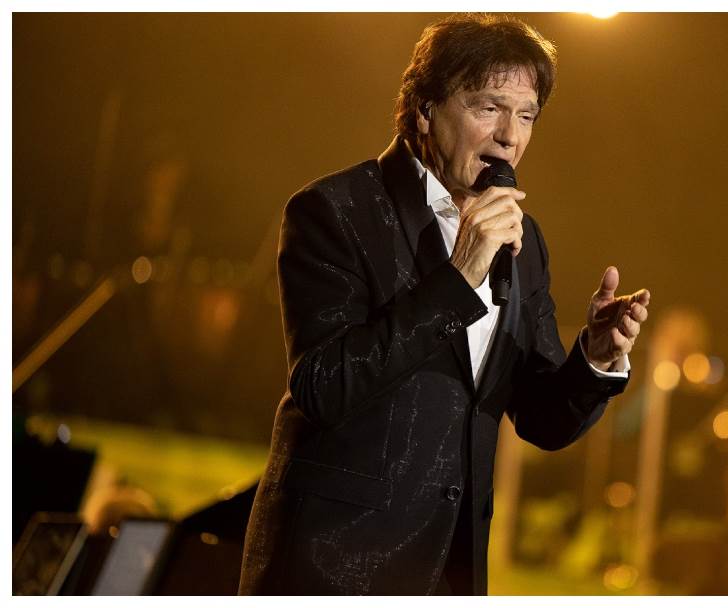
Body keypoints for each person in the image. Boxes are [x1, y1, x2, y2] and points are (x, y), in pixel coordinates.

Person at [238, 14, 651, 595]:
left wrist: (596, 360)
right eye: (489, 107)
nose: (509, 137)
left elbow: (542, 420)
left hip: (452, 575)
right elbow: (323, 386)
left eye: (526, 115)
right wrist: (459, 278)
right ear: (424, 109)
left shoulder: (523, 241)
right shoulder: (336, 211)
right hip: (334, 568)